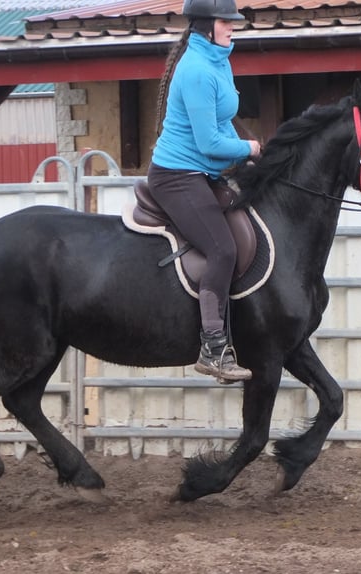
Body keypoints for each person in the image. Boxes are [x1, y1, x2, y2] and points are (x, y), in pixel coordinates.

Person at [147, 0, 260, 383]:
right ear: (204, 26)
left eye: (233, 21)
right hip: (176, 175)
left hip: (202, 172)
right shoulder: (196, 70)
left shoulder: (219, 60)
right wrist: (250, 148)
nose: (232, 27)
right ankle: (213, 348)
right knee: (222, 248)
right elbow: (210, 142)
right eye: (226, 21)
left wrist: (247, 154)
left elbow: (222, 122)